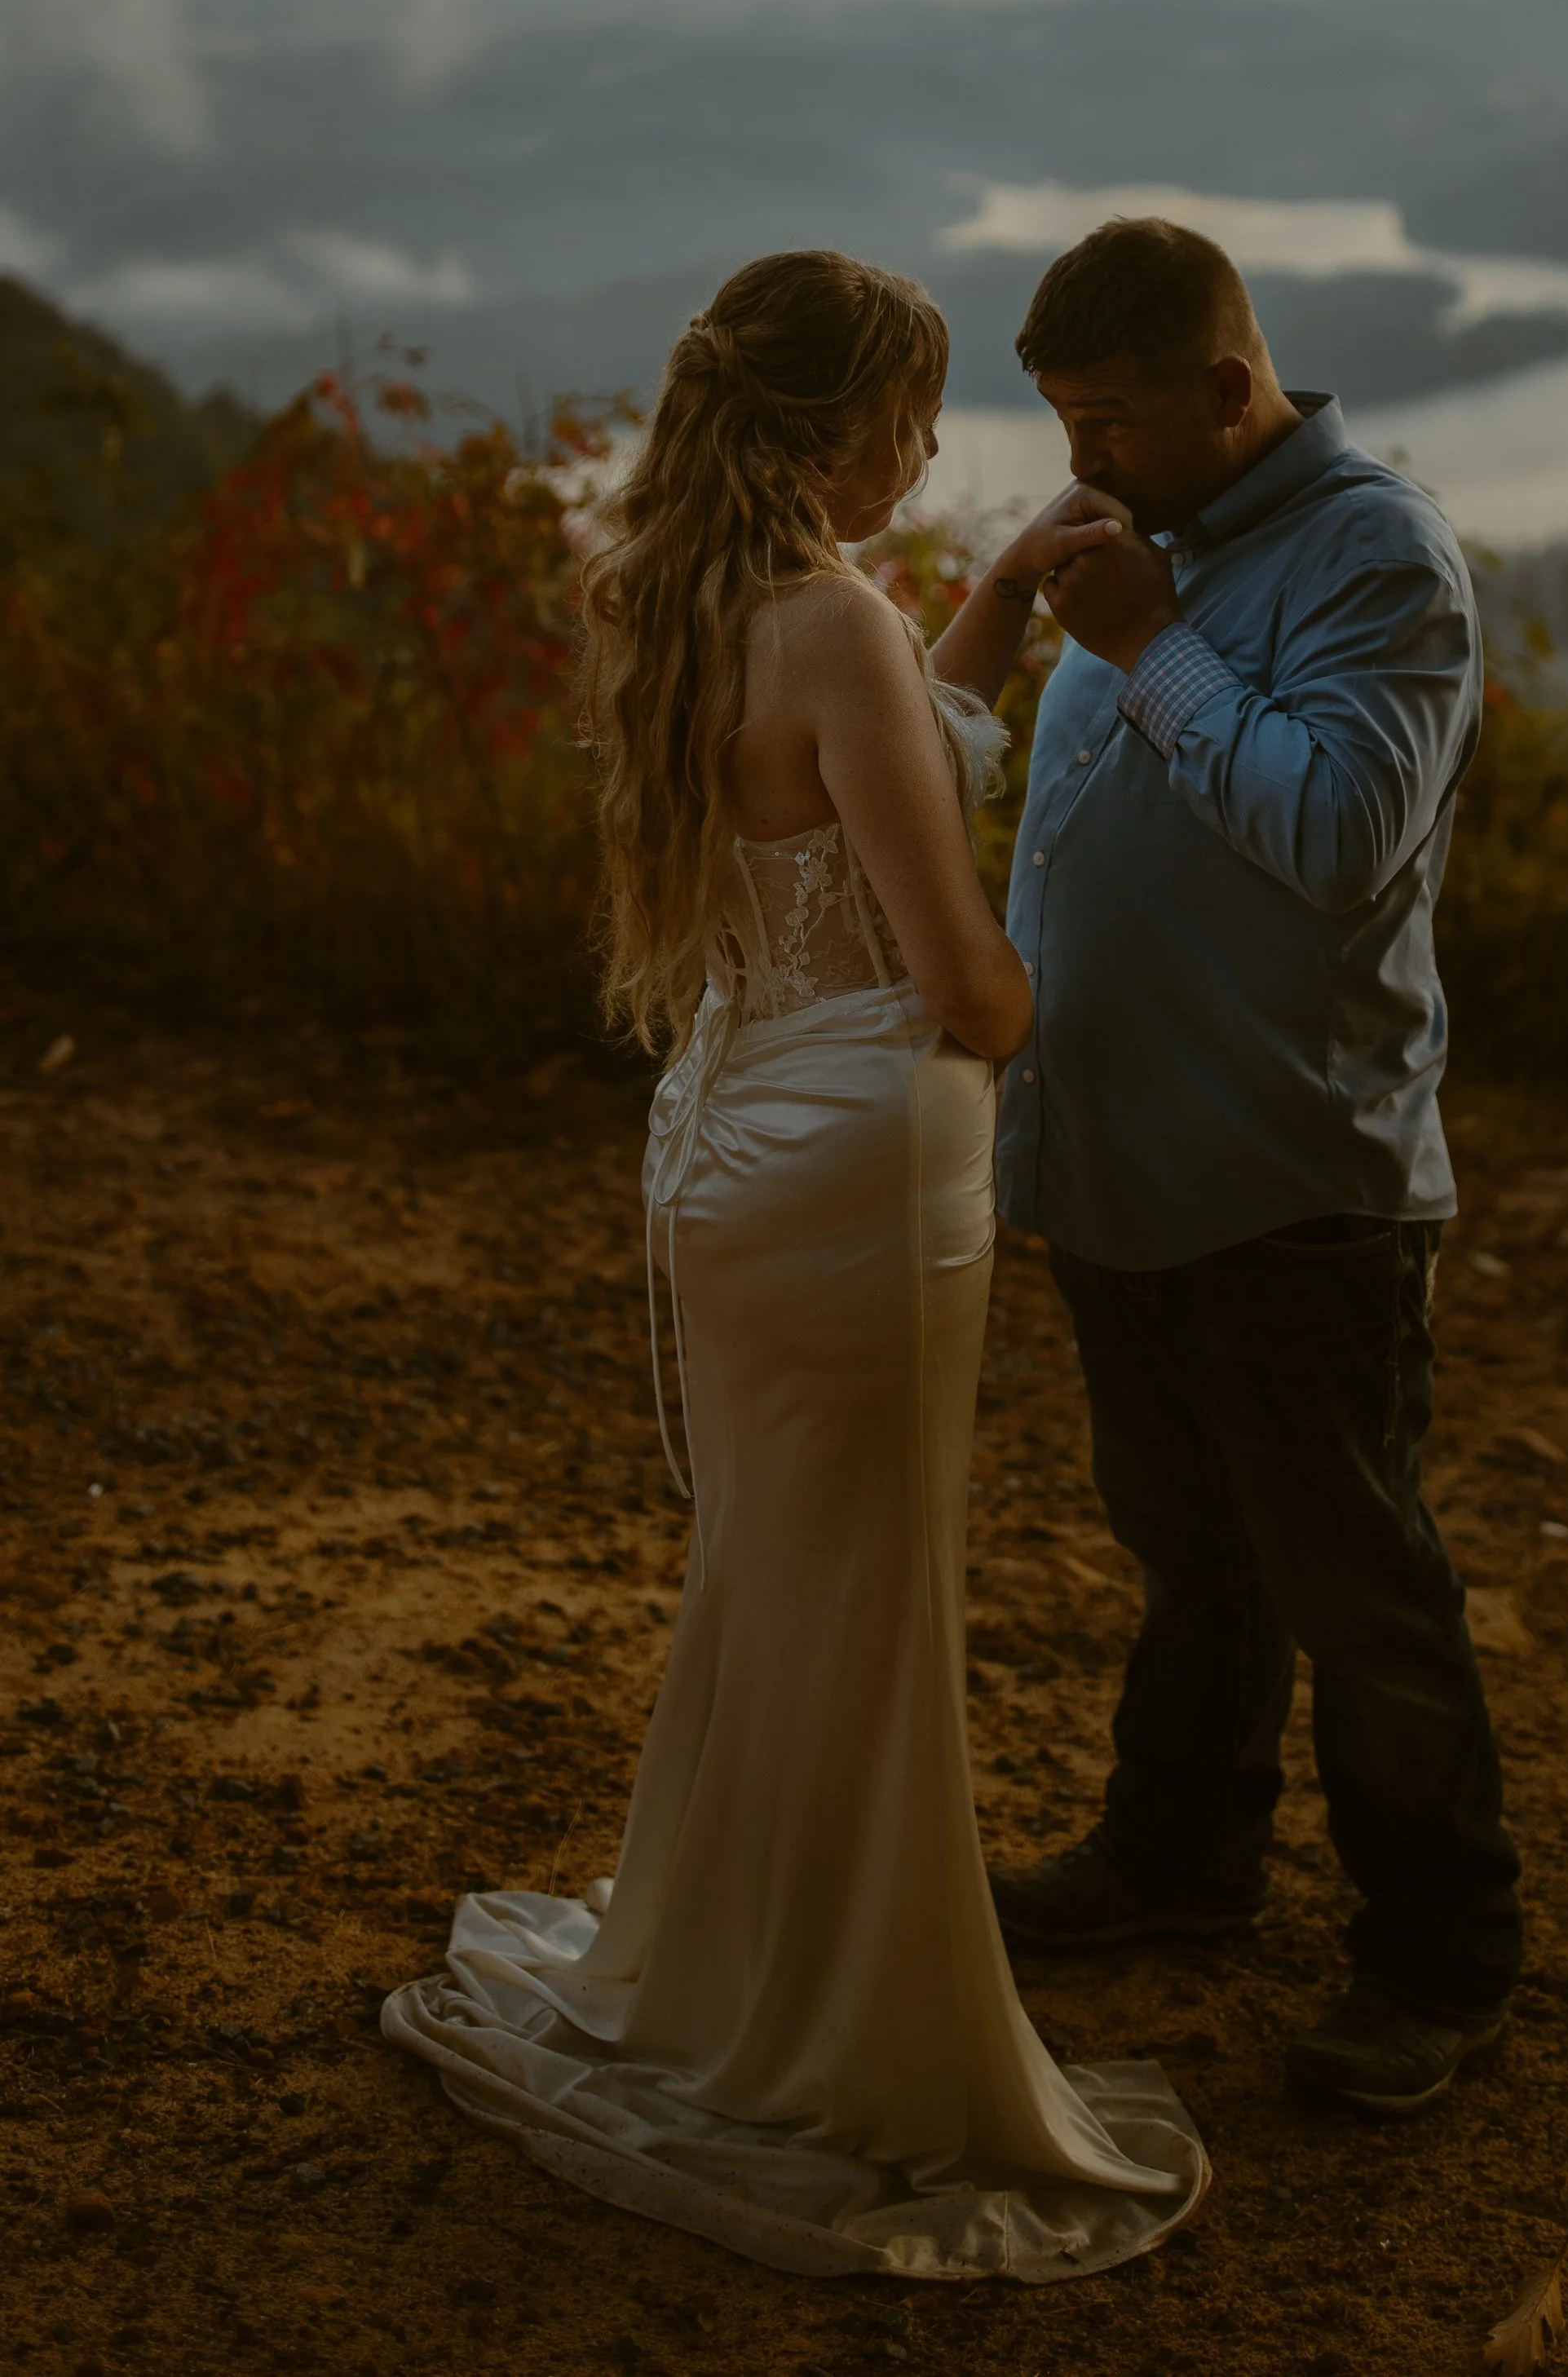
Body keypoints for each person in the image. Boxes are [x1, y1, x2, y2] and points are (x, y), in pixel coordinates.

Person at [382, 250, 1207, 2279]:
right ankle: (843, 2034)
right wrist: (1062, 996)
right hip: (864, 1162)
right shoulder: (831, 623)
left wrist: (997, 605)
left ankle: (730, 1964)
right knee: (871, 1603)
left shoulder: (686, 604)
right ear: (833, 430)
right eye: (910, 417)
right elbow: (957, 983)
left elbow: (835, 795)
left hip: (735, 1139)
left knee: (778, 1576)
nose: (927, 453)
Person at [983, 216, 1522, 2115]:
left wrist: (1144, 642)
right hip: (1121, 1159)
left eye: (1109, 421)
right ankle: (1176, 1860)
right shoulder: (1146, 534)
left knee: (1356, 1584)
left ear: (1227, 388)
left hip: (1292, 1180)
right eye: (1059, 421)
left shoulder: (1376, 552)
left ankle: (1439, 1957)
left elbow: (1339, 833)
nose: (1078, 463)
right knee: (1187, 1551)